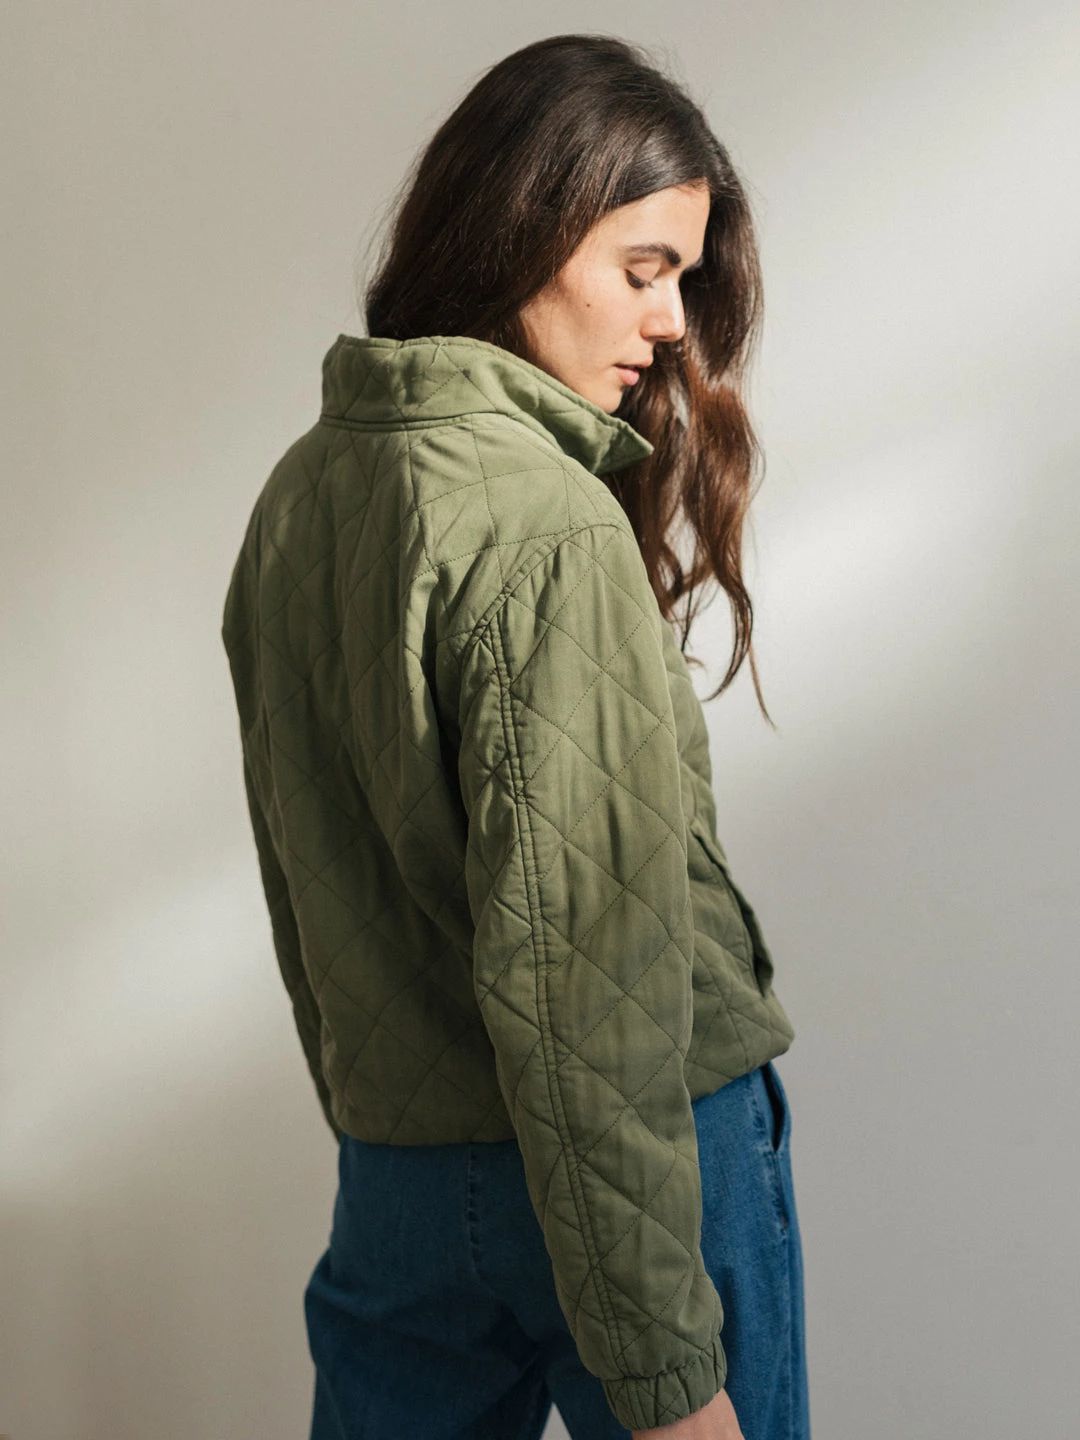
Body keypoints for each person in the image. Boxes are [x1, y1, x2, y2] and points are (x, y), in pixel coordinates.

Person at [221, 32, 810, 1440]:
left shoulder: (298, 499)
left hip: (405, 1179)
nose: (671, 324)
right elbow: (585, 977)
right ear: (525, 225)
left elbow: (305, 893)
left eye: (683, 279)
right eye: (644, 268)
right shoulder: (546, 521)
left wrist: (392, 1132)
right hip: (645, 1166)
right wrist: (668, 1380)